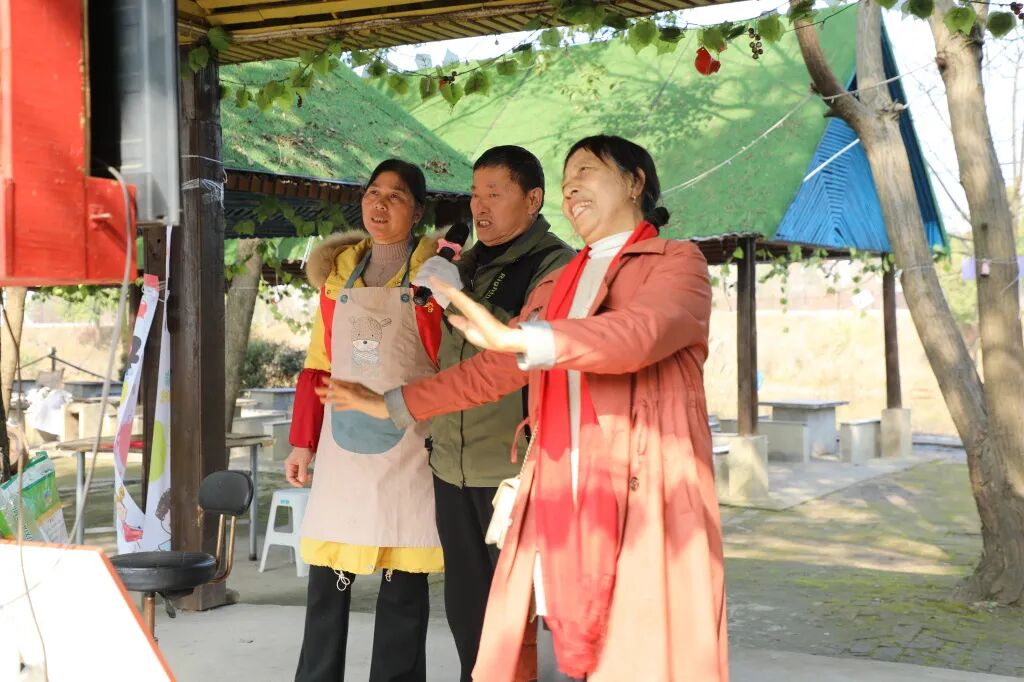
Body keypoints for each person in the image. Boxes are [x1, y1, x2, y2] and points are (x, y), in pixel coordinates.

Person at [317, 135, 729, 682]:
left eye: (587, 171)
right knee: (521, 636)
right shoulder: (568, 276)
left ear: (635, 183)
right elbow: (496, 369)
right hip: (552, 479)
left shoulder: (674, 262)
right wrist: (391, 402)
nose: (572, 186)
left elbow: (638, 335)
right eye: (568, 178)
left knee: (646, 643)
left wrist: (513, 337)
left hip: (641, 484)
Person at [402, 145, 574, 681]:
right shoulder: (467, 261)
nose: (479, 206)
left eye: (495, 194)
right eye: (475, 194)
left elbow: (520, 347)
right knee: (465, 607)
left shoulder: (555, 265)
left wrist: (461, 299)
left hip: (510, 469)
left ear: (533, 199)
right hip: (451, 463)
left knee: (513, 615)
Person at [283, 159, 447, 682]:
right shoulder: (337, 278)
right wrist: (302, 442)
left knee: (403, 590)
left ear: (417, 212)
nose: (380, 204)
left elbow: (450, 363)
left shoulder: (436, 277)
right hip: (343, 447)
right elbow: (318, 364)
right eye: (374, 192)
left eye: (396, 196)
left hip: (411, 444)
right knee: (326, 587)